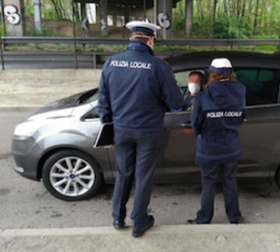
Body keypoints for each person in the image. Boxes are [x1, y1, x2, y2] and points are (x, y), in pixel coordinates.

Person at [98, 21, 184, 238]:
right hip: (148, 132)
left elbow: (103, 100)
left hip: (121, 130)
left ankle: (117, 218)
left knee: (123, 174)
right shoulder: (158, 66)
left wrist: (107, 126)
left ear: (130, 38)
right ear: (151, 40)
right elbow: (176, 102)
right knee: (143, 176)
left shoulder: (111, 63)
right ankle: (139, 222)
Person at [187, 58, 246, 225]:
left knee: (208, 185)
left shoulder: (203, 96)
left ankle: (204, 219)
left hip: (209, 148)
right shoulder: (240, 91)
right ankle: (234, 218)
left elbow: (196, 124)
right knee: (230, 183)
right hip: (231, 146)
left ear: (212, 74)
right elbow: (241, 118)